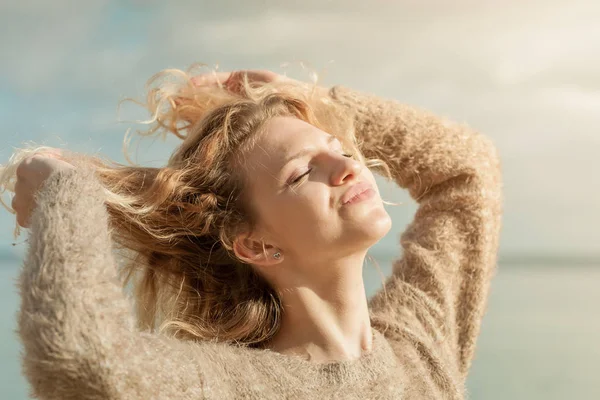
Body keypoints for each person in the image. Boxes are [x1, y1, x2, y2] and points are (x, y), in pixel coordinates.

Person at [4, 68, 503, 399]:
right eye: (301, 173)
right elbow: (79, 359)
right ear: (255, 243)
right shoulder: (238, 384)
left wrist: (318, 101)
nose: (347, 165)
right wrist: (66, 194)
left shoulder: (421, 342)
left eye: (339, 147)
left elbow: (467, 169)